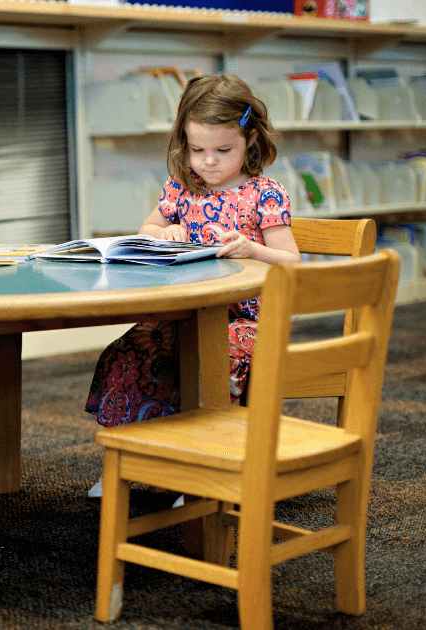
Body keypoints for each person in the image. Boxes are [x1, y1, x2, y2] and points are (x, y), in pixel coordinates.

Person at [83, 74, 300, 497]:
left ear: (250, 141)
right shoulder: (182, 189)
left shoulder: (265, 193)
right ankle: (124, 466)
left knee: (213, 363)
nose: (209, 162)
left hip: (247, 321)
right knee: (131, 353)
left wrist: (252, 249)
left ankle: (204, 470)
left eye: (224, 150)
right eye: (197, 150)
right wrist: (163, 234)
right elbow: (147, 227)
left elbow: (291, 260)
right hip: (181, 313)